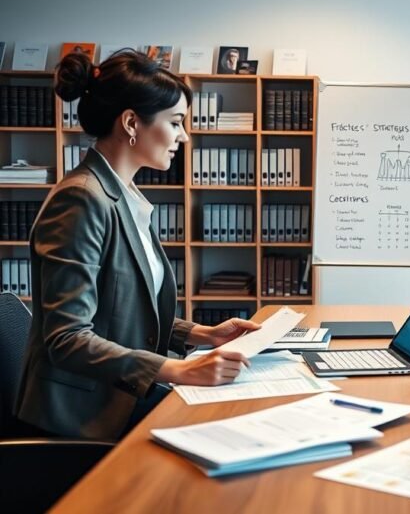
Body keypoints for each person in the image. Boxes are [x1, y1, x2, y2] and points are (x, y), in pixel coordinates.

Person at [16, 50, 260, 440]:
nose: (184, 135)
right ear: (131, 122)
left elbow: (120, 311)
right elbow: (67, 338)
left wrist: (202, 334)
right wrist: (178, 370)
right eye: (175, 122)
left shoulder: (121, 194)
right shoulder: (80, 199)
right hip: (81, 420)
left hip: (121, 396)